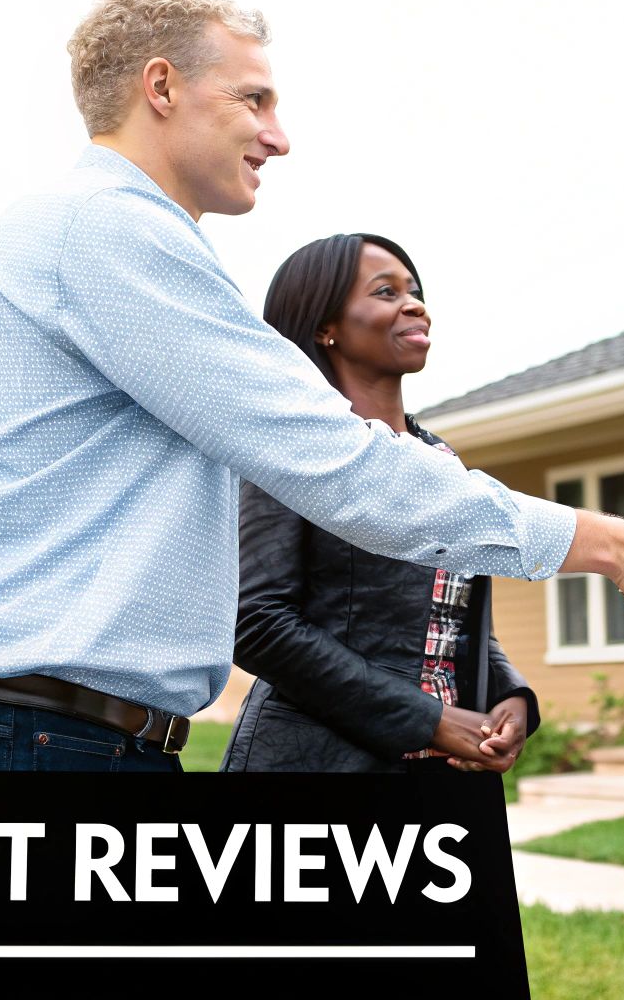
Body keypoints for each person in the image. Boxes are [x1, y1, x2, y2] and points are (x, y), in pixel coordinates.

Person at [0, 0, 624, 774]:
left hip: (55, 735)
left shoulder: (111, 239)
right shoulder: (105, 232)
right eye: (253, 98)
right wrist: (614, 546)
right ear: (161, 88)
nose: (278, 135)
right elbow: (341, 465)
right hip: (19, 742)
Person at [223, 234, 534, 775]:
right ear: (326, 327)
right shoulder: (295, 447)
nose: (414, 304)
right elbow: (256, 620)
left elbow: (450, 619)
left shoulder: (441, 460)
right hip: (317, 765)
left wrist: (511, 695)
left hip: (448, 767)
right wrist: (428, 718)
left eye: (413, 290)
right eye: (386, 292)